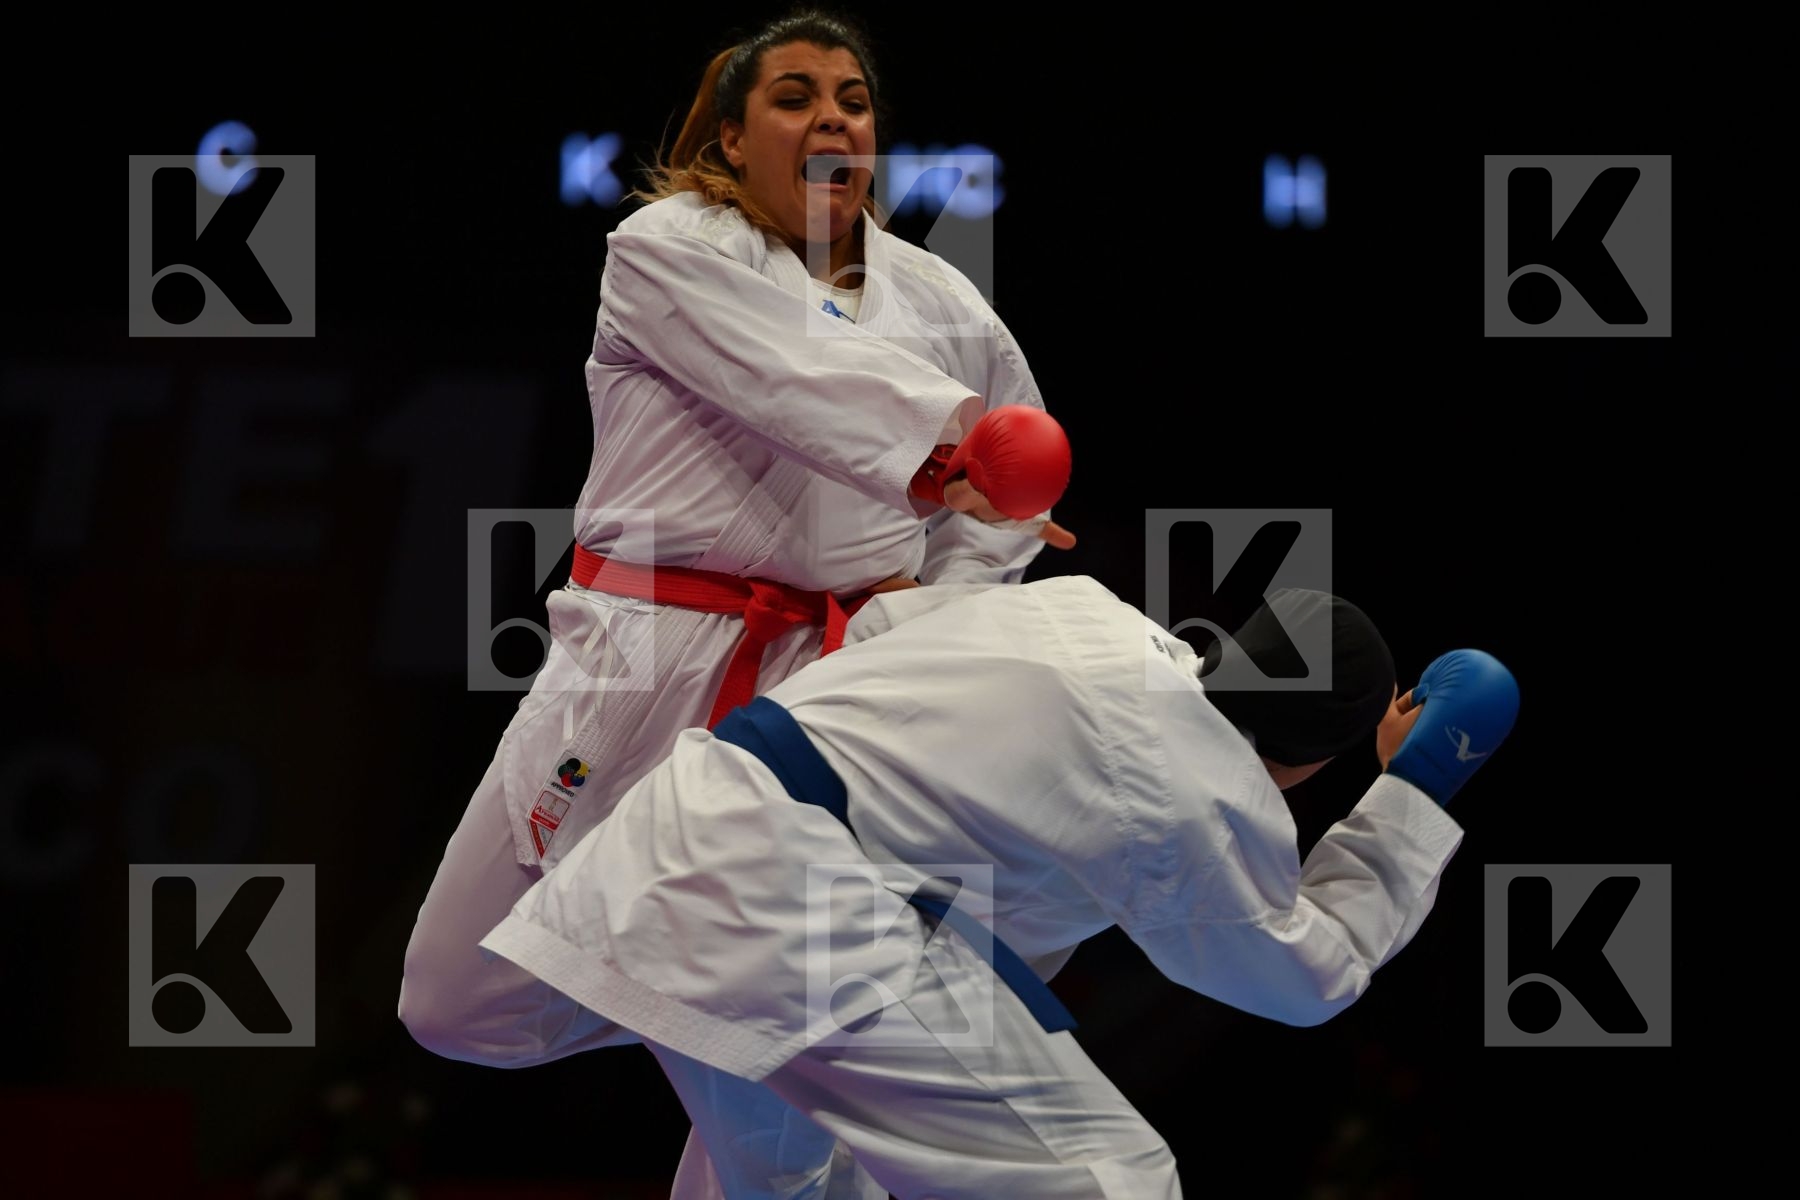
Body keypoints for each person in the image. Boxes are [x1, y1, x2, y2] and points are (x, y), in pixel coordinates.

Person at [398, 9, 1072, 1197]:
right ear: (729, 135)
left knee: (788, 1022)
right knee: (459, 1001)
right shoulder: (663, 249)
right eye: (795, 97)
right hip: (642, 661)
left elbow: (1005, 521)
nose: (832, 120)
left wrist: (918, 635)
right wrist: (947, 454)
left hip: (833, 691)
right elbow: (795, 374)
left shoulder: (946, 307)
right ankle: (718, 992)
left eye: (853, 101)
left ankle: (756, 1007)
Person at [474, 577, 1522, 1198]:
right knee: (1113, 1183)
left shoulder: (1080, 610)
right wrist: (1413, 785)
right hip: (804, 908)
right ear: (1313, 755)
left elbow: (879, 625)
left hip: (682, 830)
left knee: (799, 1185)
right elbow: (1306, 977)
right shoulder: (1198, 789)